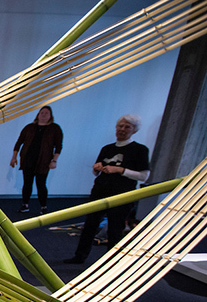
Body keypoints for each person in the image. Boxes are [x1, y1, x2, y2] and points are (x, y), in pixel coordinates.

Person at [64, 114, 149, 264]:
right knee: (90, 225)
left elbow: (144, 176)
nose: (122, 130)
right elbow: (97, 169)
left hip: (121, 194)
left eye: (127, 127)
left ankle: (112, 263)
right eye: (120, 126)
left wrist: (120, 170)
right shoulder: (107, 148)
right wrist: (96, 168)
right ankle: (80, 256)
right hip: (100, 191)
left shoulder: (140, 150)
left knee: (115, 229)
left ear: (134, 130)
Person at [10, 105, 63, 214]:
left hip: (44, 162)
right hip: (28, 159)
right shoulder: (29, 127)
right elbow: (19, 142)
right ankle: (25, 205)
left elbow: (58, 146)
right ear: (38, 114)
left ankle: (43, 206)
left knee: (41, 184)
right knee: (27, 183)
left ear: (50, 116)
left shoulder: (54, 128)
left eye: (46, 113)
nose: (43, 115)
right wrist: (14, 157)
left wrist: (54, 160)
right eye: (42, 113)